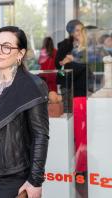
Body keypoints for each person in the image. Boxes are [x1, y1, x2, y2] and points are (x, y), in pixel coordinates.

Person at [0, 26, 49, 198]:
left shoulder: (32, 86)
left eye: (7, 47)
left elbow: (40, 135)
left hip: (12, 175)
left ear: (20, 53)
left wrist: (35, 180)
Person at [55, 19, 88, 174]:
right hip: (69, 87)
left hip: (84, 89)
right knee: (70, 121)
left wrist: (73, 60)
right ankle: (70, 158)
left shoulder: (87, 45)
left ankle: (80, 160)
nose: (79, 33)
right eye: (76, 30)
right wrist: (69, 62)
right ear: (71, 32)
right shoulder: (65, 44)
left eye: (81, 30)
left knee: (82, 125)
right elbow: (60, 65)